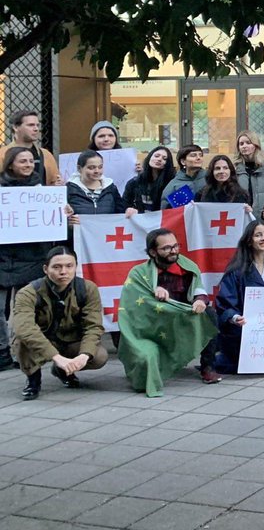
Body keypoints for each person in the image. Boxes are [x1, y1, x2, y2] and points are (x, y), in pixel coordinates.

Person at [117, 228, 220, 395]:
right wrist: (153, 291)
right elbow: (133, 303)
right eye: (166, 248)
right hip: (153, 323)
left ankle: (208, 366)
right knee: (145, 356)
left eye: (175, 246)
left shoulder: (188, 267)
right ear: (152, 252)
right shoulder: (139, 273)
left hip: (180, 319)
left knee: (210, 314)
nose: (173, 251)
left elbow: (198, 288)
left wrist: (200, 300)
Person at [0, 147, 69, 371]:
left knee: (26, 308)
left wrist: (63, 210)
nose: (29, 165)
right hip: (3, 257)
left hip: (31, 257)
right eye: (23, 161)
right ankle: (2, 352)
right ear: (11, 164)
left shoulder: (43, 190)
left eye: (31, 161)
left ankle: (29, 350)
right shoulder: (1, 190)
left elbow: (54, 219)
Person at [11, 247, 107, 400]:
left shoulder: (87, 289)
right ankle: (33, 378)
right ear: (45, 269)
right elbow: (25, 328)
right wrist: (56, 356)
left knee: (99, 356)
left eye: (69, 266)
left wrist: (84, 355)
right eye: (57, 267)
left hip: (70, 339)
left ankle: (63, 371)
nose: (64, 271)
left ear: (76, 267)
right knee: (22, 341)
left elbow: (93, 326)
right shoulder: (28, 292)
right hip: (43, 339)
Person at [214, 221, 264, 373]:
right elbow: (225, 304)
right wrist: (235, 318)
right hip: (245, 324)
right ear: (249, 241)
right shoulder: (236, 270)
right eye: (258, 235)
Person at [3, 109, 62, 185]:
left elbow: (54, 181)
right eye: (31, 125)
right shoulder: (2, 154)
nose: (36, 129)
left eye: (37, 125)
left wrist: (56, 185)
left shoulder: (46, 155)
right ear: (16, 127)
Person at [66, 149, 125, 221]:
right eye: (91, 168)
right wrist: (68, 223)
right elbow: (60, 219)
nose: (97, 171)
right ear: (79, 168)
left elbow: (121, 215)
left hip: (106, 232)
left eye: (100, 167)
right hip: (78, 232)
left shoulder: (111, 188)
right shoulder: (69, 189)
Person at [235, 131, 264, 217]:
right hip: (242, 218)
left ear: (256, 145)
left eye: (248, 143)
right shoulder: (234, 171)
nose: (244, 146)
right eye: (241, 144)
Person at [124, 145, 176, 215]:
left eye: (164, 159)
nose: (159, 159)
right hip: (140, 222)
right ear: (149, 157)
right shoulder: (134, 182)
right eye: (157, 156)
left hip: (161, 222)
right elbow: (124, 204)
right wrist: (130, 209)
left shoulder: (171, 183)